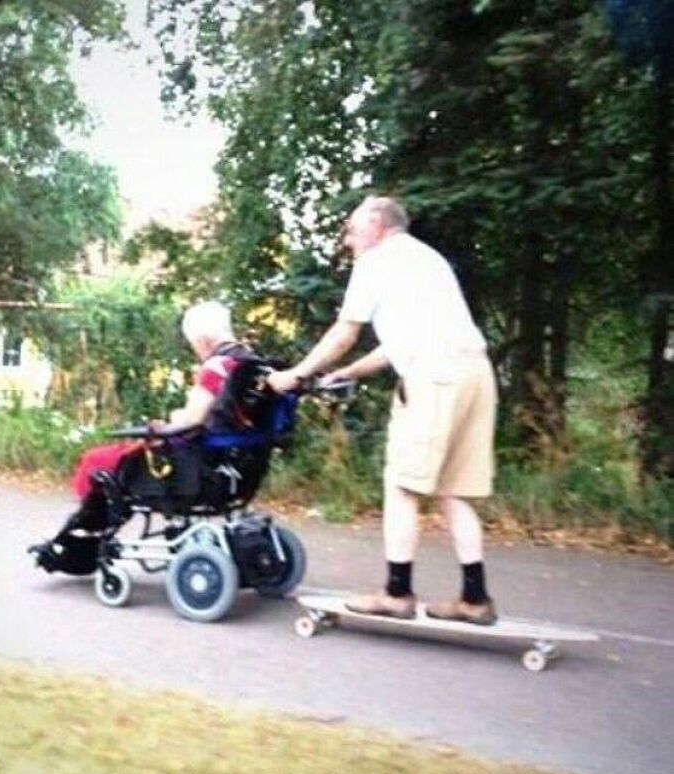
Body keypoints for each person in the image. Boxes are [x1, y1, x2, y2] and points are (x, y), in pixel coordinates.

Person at [268, 195, 498, 624]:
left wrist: (294, 375)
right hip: (475, 374)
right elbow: (400, 343)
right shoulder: (427, 260)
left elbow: (344, 332)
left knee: (401, 487)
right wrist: (349, 373)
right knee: (452, 490)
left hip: (434, 378)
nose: (349, 238)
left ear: (377, 224)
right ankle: (475, 598)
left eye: (353, 228)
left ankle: (397, 593)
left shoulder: (377, 262)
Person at [72, 300, 251, 498]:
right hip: (238, 461)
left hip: (196, 463)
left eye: (194, 346)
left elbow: (192, 421)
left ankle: (93, 520)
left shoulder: (216, 368)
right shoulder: (250, 366)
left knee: (95, 460)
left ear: (203, 341)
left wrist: (164, 426)